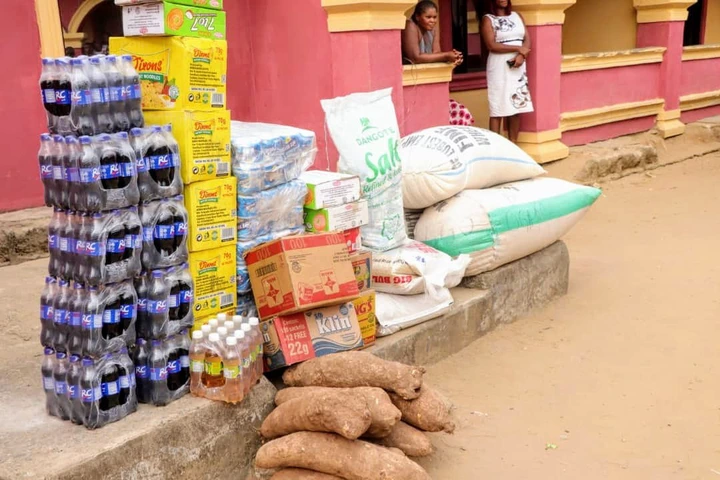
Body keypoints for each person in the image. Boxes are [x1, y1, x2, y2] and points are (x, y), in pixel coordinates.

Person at [481, 0, 533, 143]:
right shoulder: (488, 19)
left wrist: (522, 56)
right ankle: (496, 147)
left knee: (515, 107)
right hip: (499, 66)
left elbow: (527, 40)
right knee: (498, 108)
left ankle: (513, 145)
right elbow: (491, 45)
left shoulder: (517, 16)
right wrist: (517, 49)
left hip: (518, 65)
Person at [402, 1, 463, 66]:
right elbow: (415, 58)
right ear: (417, 17)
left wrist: (454, 57)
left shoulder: (433, 29)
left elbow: (436, 53)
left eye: (434, 17)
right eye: (428, 17)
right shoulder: (410, 26)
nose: (432, 21)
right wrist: (446, 55)